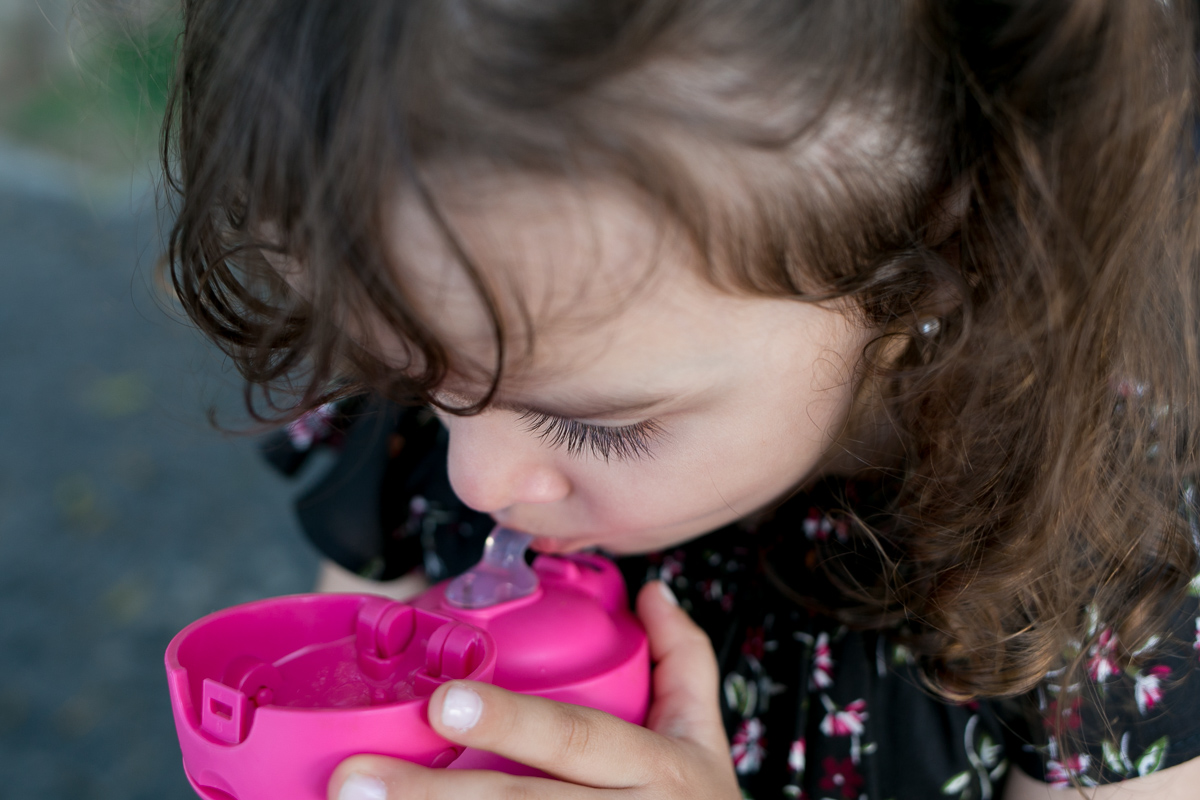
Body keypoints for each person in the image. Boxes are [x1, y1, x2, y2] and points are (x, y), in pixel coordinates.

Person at [161, 1, 1200, 798]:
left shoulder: (1091, 573)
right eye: (410, 383)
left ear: (929, 258)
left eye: (588, 421)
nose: (473, 479)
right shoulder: (438, 415)